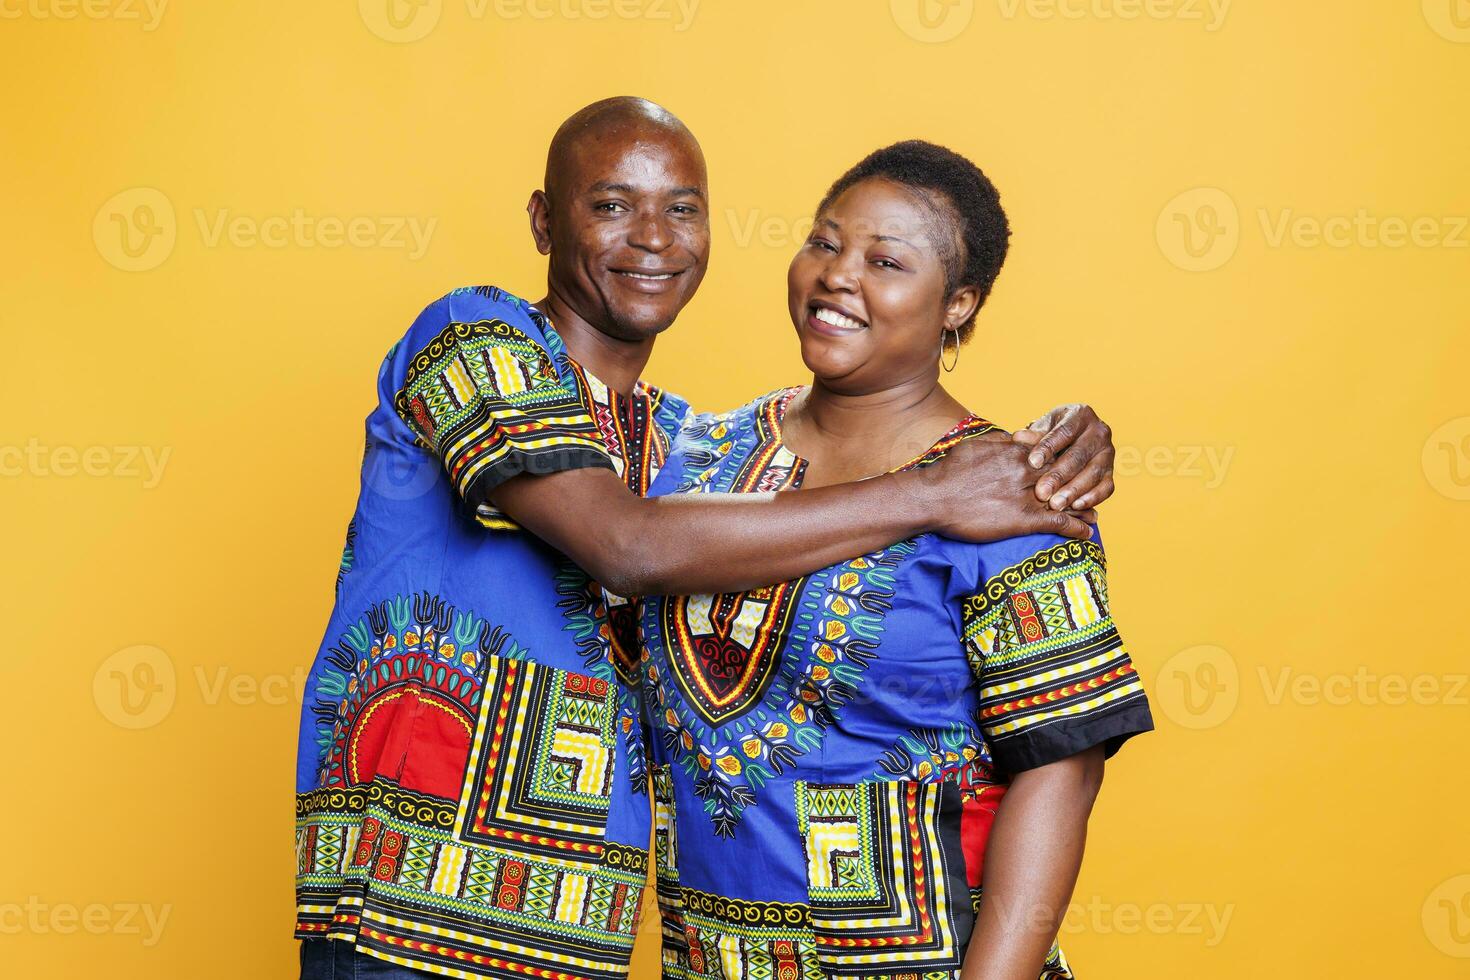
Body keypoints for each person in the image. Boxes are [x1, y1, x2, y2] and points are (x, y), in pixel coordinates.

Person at [294, 99, 1121, 980]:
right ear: (544, 219)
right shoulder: (480, 343)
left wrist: (1057, 443)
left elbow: (1063, 768)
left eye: (682, 209)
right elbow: (630, 546)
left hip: (601, 932)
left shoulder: (691, 449)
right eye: (610, 204)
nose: (652, 237)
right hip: (407, 907)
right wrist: (930, 493)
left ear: (958, 304)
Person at [639, 141, 1153, 980]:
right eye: (824, 241)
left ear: (957, 303)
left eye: (886, 260)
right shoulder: (699, 454)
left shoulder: (1013, 496)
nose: (838, 275)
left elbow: (1061, 774)